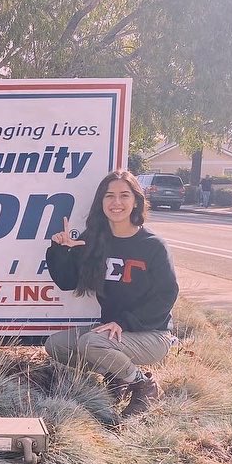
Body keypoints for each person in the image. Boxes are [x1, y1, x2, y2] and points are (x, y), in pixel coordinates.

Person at [43, 170, 179, 417]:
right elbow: (67, 282)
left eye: (124, 195)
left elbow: (166, 295)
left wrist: (124, 322)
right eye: (109, 196)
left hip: (151, 335)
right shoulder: (95, 241)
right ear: (101, 202)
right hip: (112, 333)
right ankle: (118, 377)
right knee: (56, 346)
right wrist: (61, 251)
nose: (116, 202)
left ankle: (143, 386)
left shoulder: (153, 245)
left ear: (136, 201)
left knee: (90, 342)